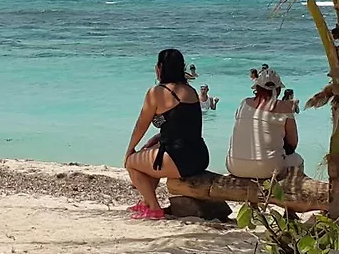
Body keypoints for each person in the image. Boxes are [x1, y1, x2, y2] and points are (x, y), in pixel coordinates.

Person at [124, 49, 209, 220]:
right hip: (200, 157)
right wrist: (158, 139)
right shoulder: (190, 91)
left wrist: (130, 150)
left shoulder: (157, 92)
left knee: (131, 163)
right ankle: (145, 201)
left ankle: (154, 208)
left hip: (179, 159)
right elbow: (184, 126)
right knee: (149, 150)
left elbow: (141, 125)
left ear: (160, 68)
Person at [226, 69, 304, 179]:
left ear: (257, 88)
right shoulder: (285, 107)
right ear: (278, 90)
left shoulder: (244, 103)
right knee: (297, 160)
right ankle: (290, 189)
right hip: (267, 169)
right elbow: (293, 143)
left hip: (234, 165)